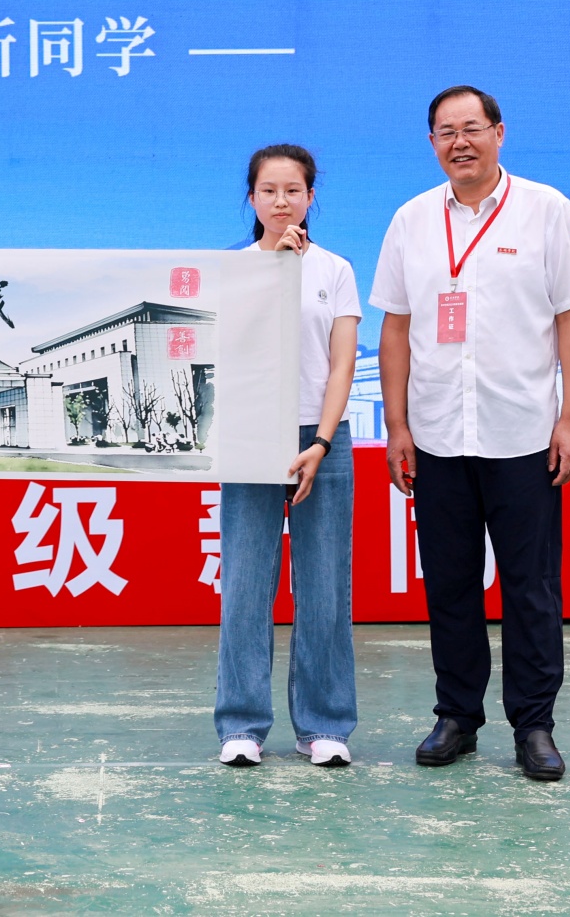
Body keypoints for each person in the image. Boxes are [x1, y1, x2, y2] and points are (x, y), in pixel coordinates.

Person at [370, 86, 570, 782]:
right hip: (438, 433)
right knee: (450, 585)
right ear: (432, 144)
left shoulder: (546, 210)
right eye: (446, 132)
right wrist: (398, 424)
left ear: (499, 133)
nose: (459, 142)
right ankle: (457, 716)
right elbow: (396, 328)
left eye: (472, 128)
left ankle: (535, 725)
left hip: (523, 433)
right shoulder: (411, 220)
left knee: (531, 587)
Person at [214, 144, 362, 769]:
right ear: (251, 198)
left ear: (310, 198)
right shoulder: (233, 269)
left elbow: (341, 363)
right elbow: (230, 344)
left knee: (325, 585)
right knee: (246, 582)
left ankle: (324, 725)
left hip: (321, 435)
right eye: (269, 191)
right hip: (251, 432)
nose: (281, 202)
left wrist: (321, 442)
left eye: (293, 191)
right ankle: (241, 725)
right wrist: (275, 268)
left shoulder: (335, 269)